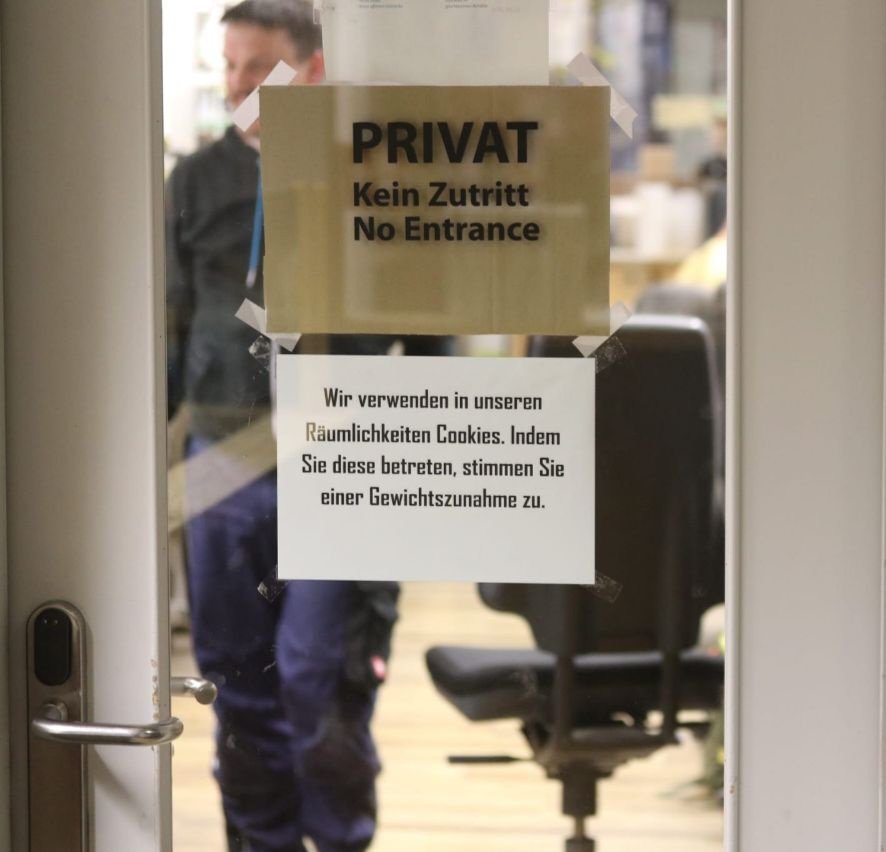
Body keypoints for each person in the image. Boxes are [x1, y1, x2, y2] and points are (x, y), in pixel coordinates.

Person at [166, 3, 401, 850]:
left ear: (313, 71)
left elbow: (431, 328)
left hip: (339, 454)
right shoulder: (196, 181)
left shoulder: (372, 172)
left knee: (319, 678)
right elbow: (169, 325)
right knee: (237, 681)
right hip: (222, 460)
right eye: (229, 66)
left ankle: (339, 838)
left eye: (257, 68)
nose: (237, 85)